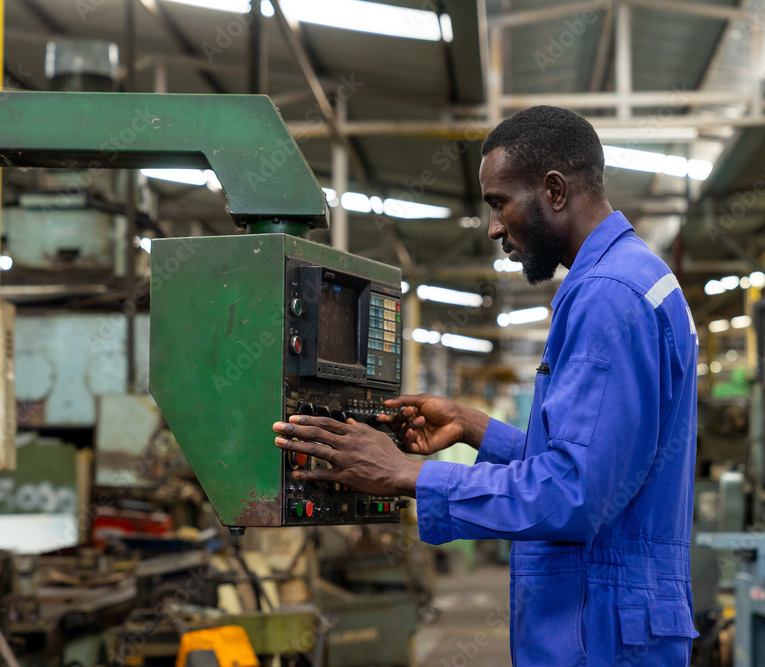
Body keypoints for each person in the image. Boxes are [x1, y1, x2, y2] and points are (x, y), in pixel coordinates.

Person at [273, 106, 699, 665]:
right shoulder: (638, 278)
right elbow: (606, 466)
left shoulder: (608, 297)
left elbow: (575, 495)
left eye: (499, 203)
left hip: (597, 629)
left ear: (553, 190)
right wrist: (474, 428)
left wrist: (410, 473)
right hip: (616, 618)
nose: (495, 227)